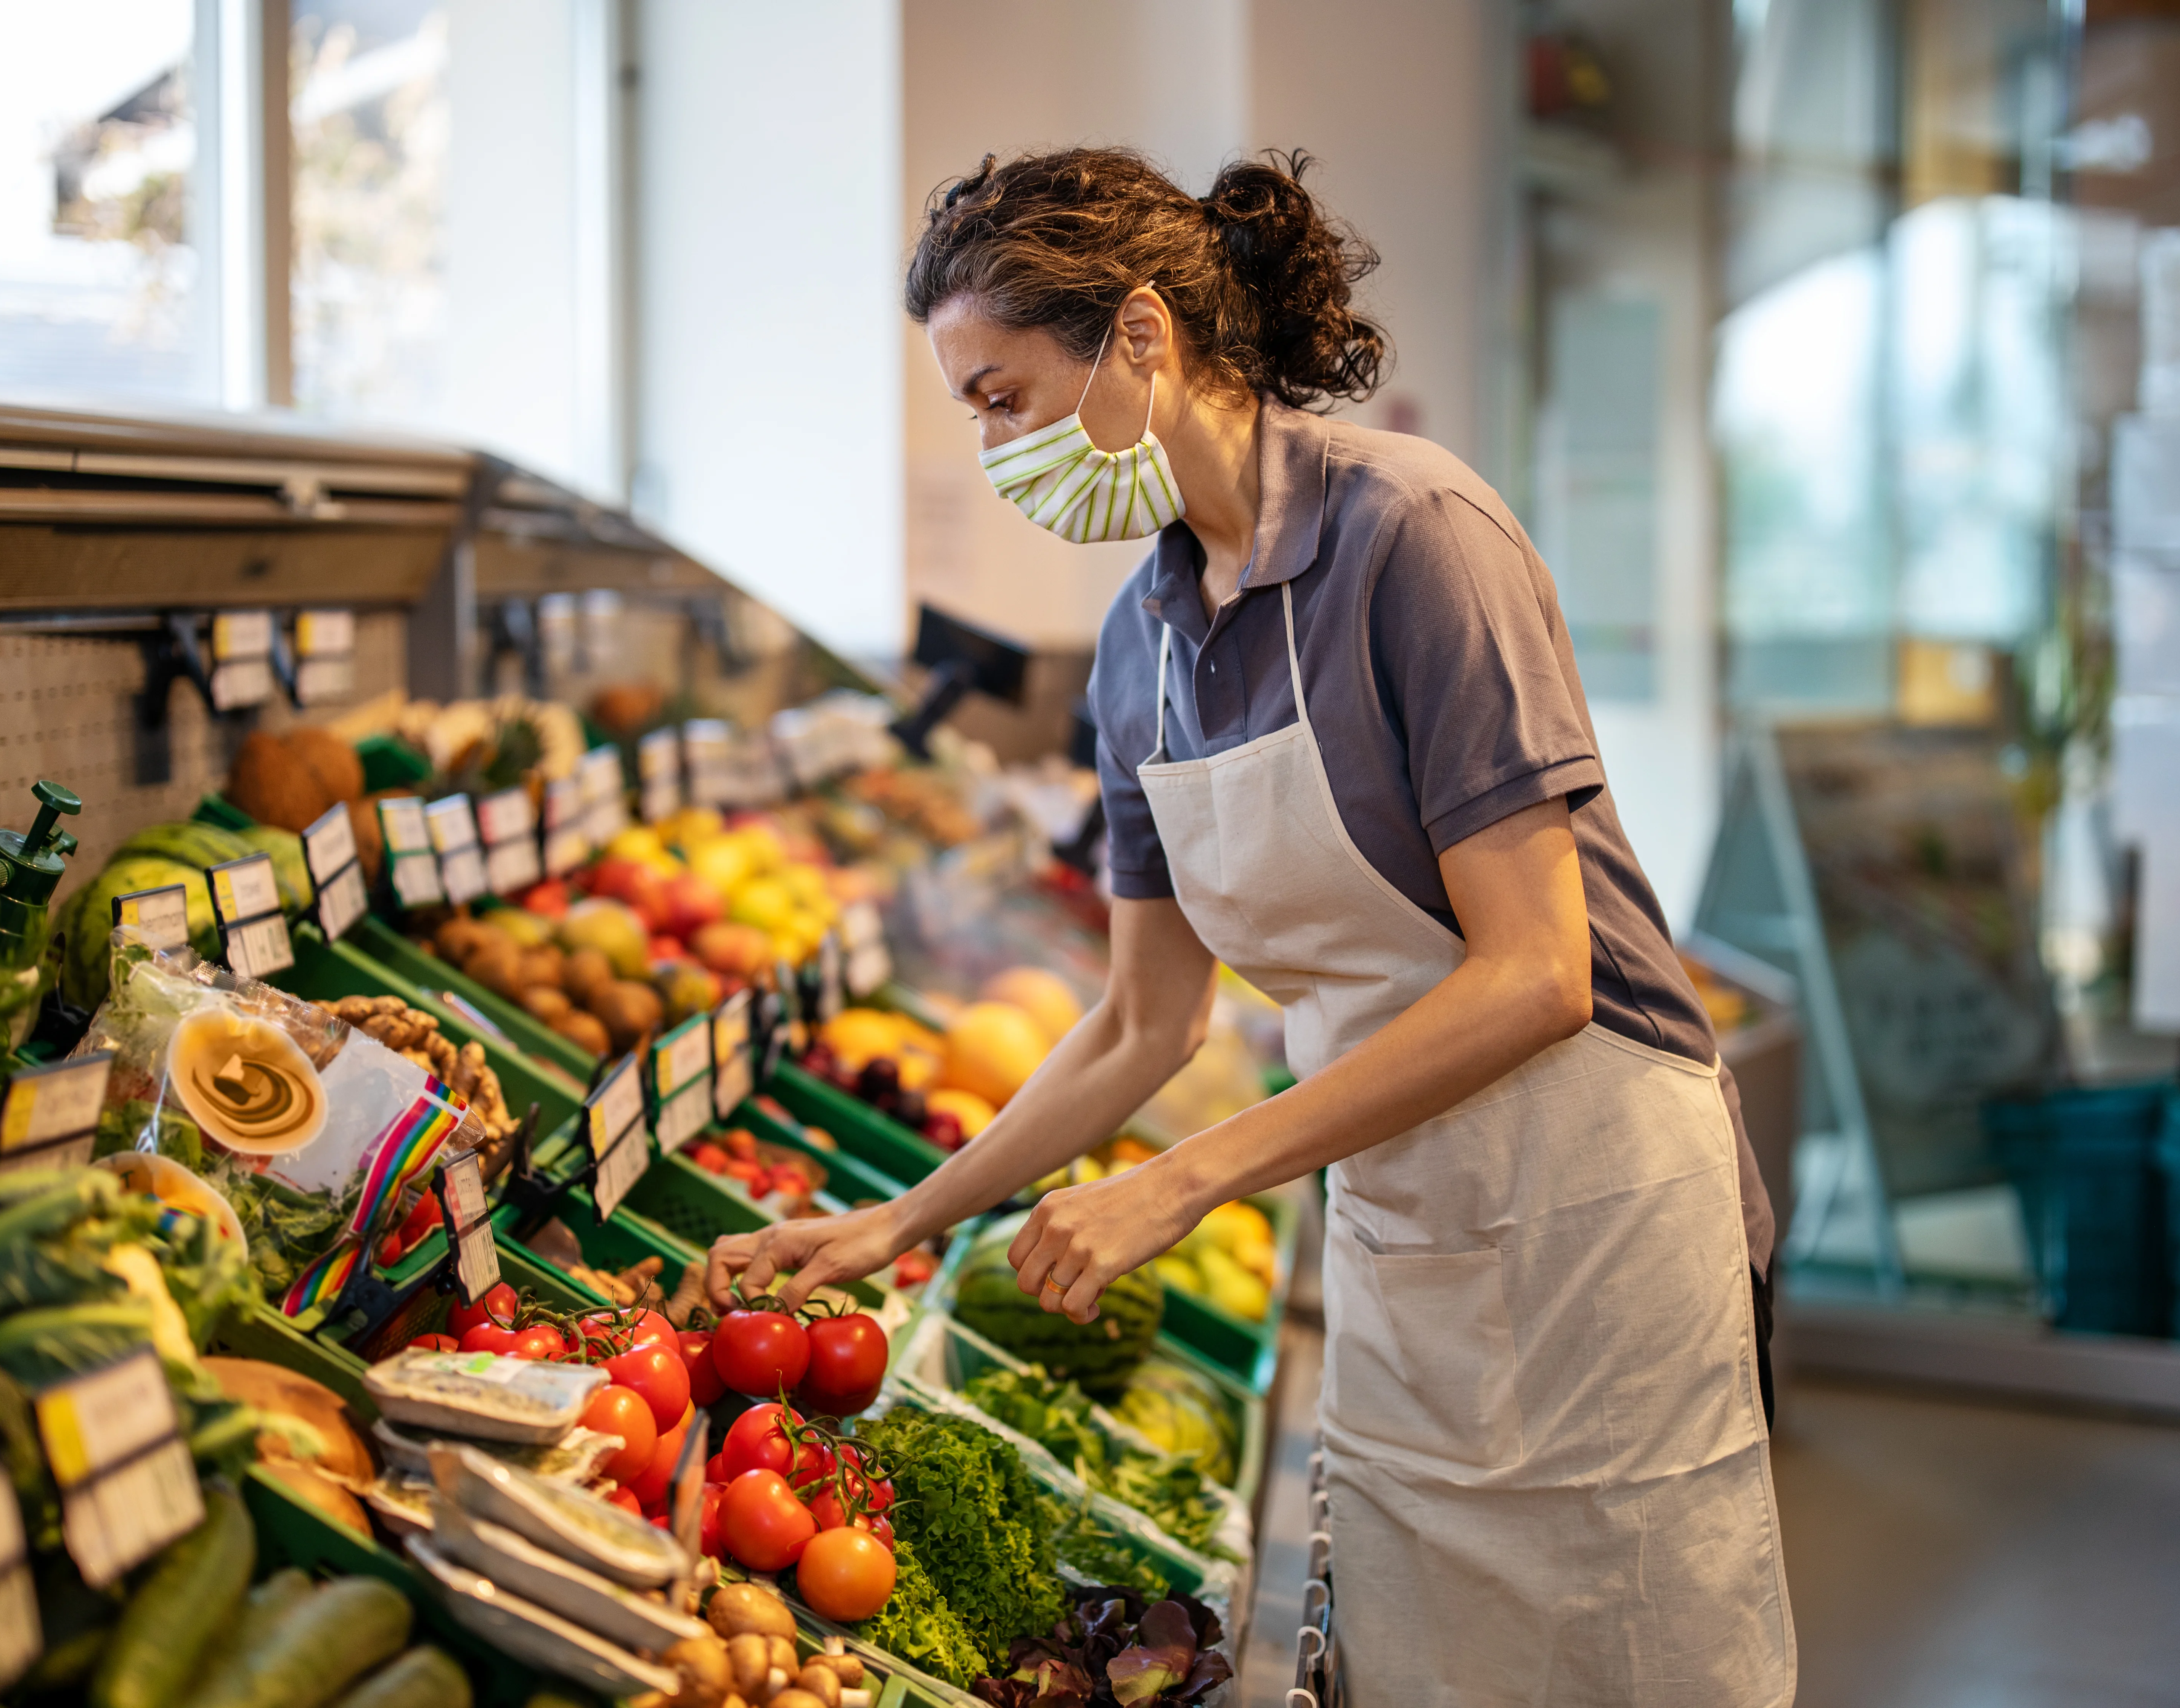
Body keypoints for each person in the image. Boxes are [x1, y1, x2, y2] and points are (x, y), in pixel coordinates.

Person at [705, 146, 1794, 1706]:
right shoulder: (1136, 647)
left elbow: (1540, 973)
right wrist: (899, 1221)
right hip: (1401, 1215)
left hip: (1592, 1201)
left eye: (1002, 396)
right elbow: (1144, 1021)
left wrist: (1186, 1180)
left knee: (1627, 1647)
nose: (992, 446)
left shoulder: (1413, 538)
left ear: (1140, 335)